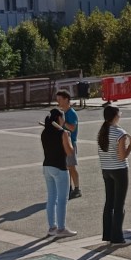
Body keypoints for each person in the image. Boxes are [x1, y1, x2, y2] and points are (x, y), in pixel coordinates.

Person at [97, 104, 131, 246]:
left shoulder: (102, 131)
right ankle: (118, 237)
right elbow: (122, 156)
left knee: (109, 203)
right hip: (119, 170)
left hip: (106, 169)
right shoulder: (120, 133)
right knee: (119, 204)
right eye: (119, 114)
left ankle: (108, 234)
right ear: (115, 117)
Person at [40, 108, 77, 239]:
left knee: (51, 198)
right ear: (59, 119)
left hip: (47, 166)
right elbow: (69, 152)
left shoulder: (45, 132)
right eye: (63, 117)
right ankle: (61, 229)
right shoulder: (62, 133)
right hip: (60, 168)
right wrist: (68, 138)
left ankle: (52, 227)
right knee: (62, 199)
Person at [55, 89, 82, 199]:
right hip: (63, 142)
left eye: (60, 100)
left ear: (66, 99)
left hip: (71, 143)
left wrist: (63, 123)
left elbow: (72, 127)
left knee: (71, 167)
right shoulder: (62, 113)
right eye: (57, 100)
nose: (58, 102)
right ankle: (69, 188)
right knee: (65, 167)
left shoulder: (71, 113)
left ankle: (77, 189)